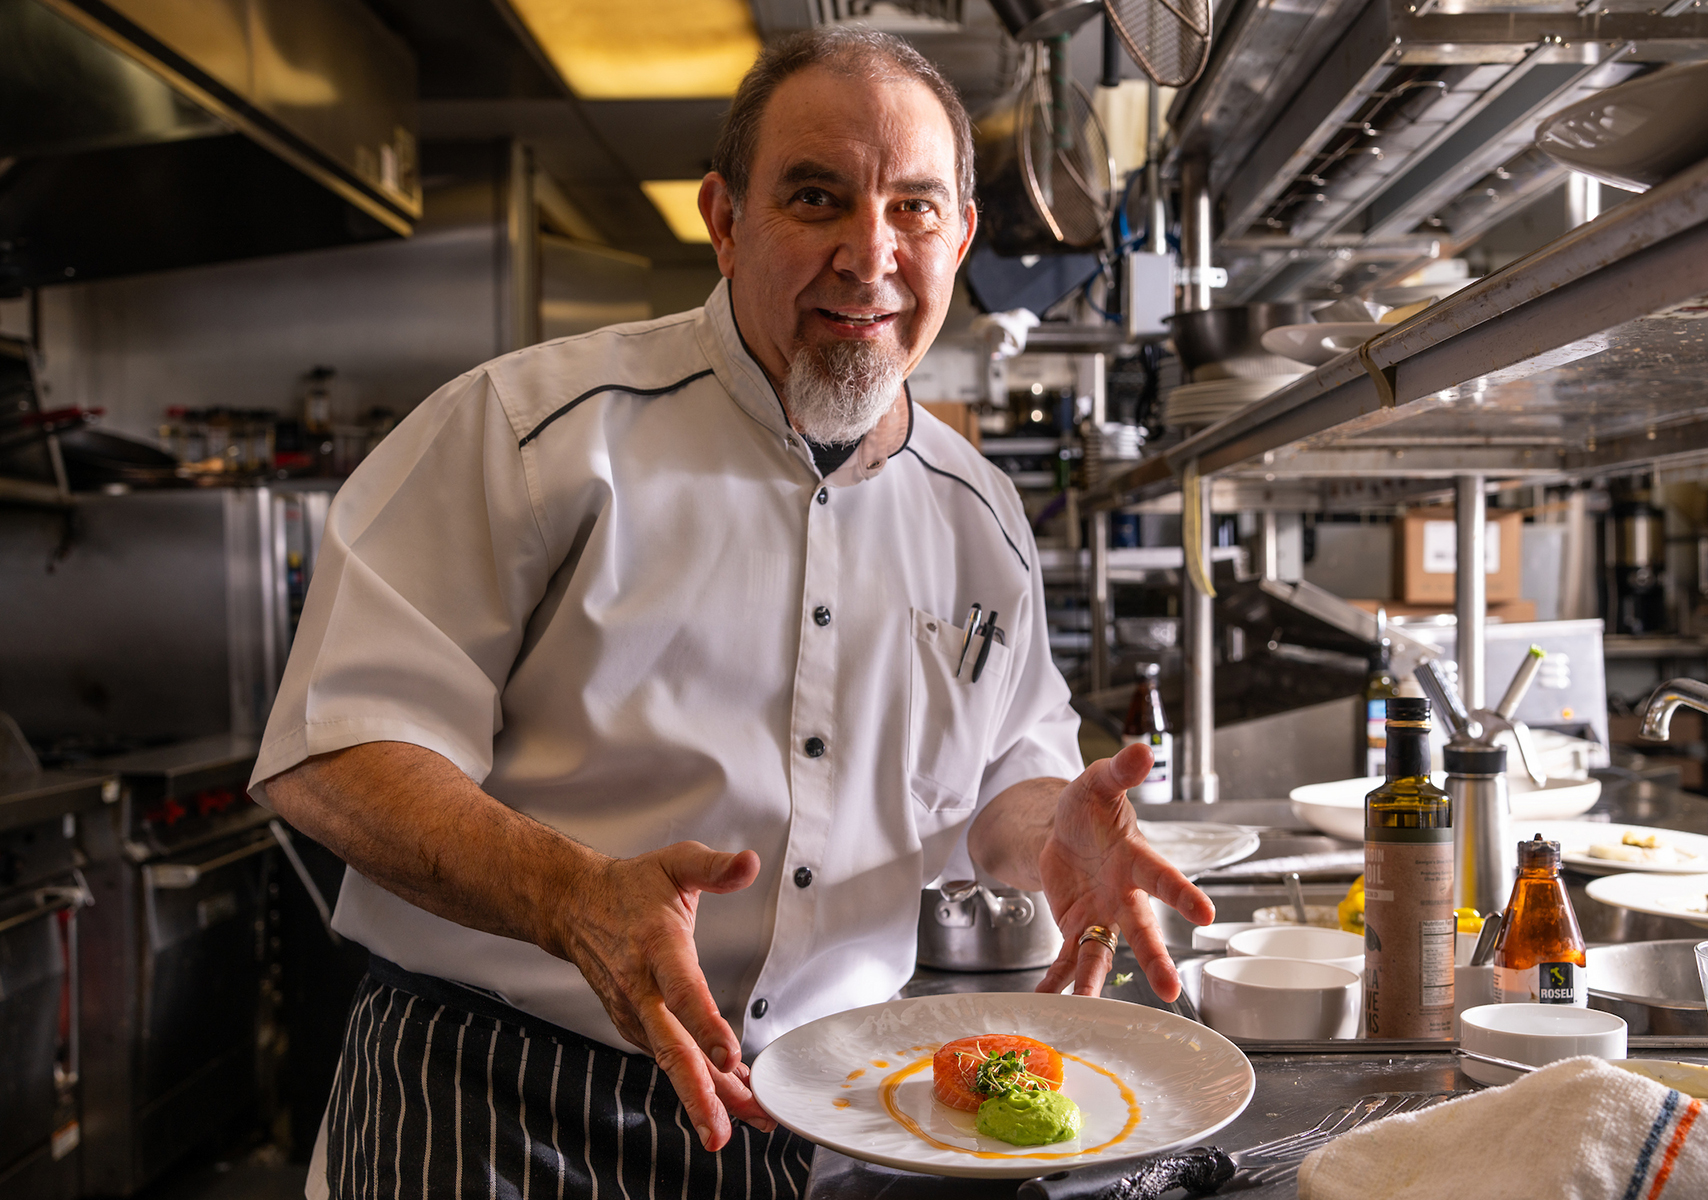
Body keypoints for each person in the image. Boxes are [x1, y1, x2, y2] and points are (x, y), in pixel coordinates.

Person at [253, 26, 1212, 1200]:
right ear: (725, 220)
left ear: (960, 237)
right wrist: (571, 897)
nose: (869, 256)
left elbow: (1008, 772)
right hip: (496, 1102)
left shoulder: (981, 514)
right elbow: (337, 752)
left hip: (823, 1118)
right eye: (816, 198)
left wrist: (1055, 826)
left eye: (914, 209)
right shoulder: (530, 433)